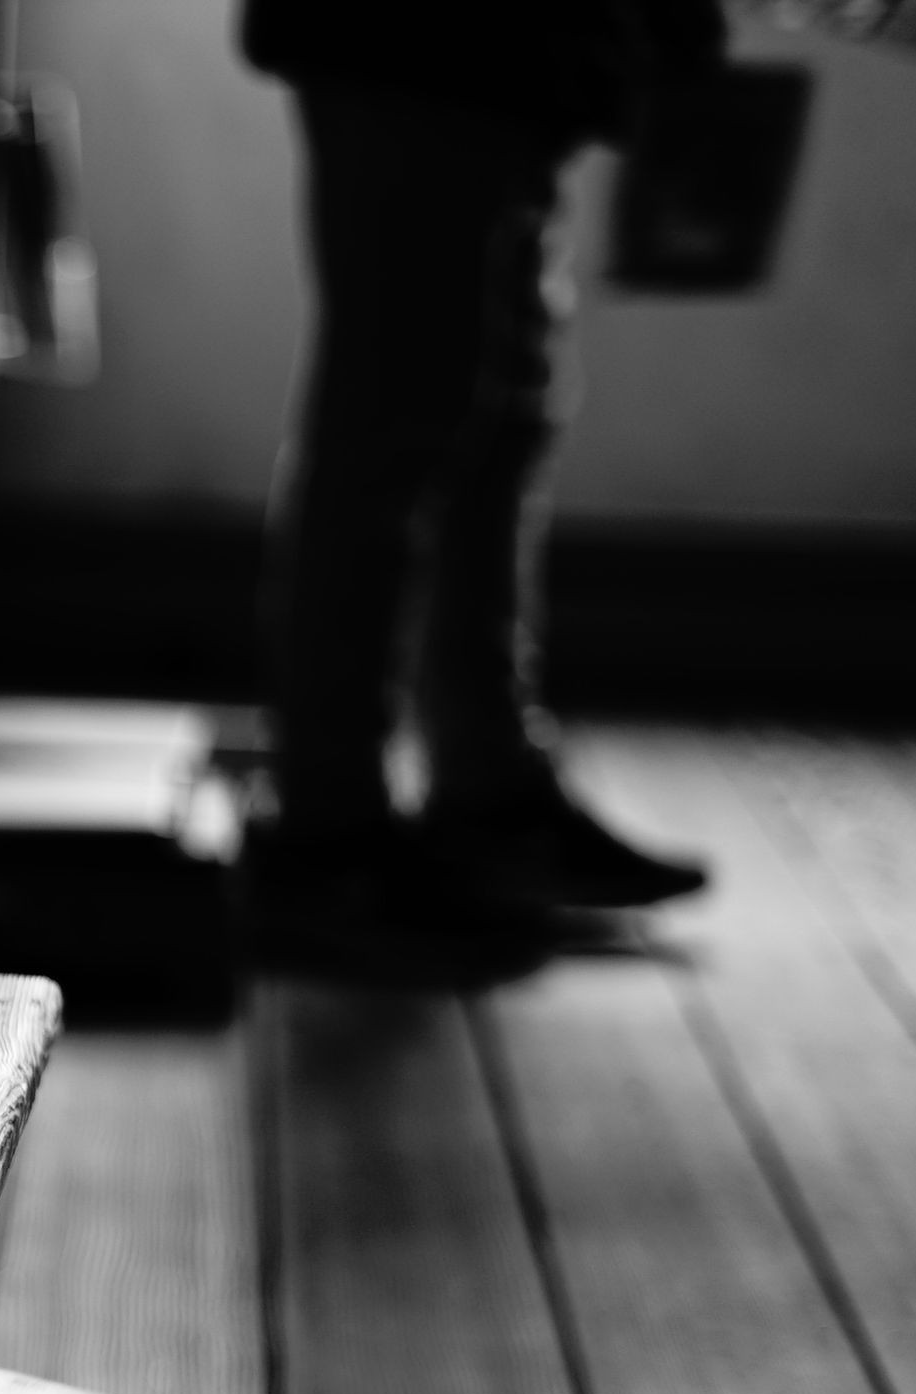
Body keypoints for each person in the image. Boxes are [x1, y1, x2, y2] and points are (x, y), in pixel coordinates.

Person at [245, 0, 724, 935]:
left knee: (495, 415)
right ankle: (327, 831)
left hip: (497, 58)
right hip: (426, 43)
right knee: (397, 423)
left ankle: (479, 796)